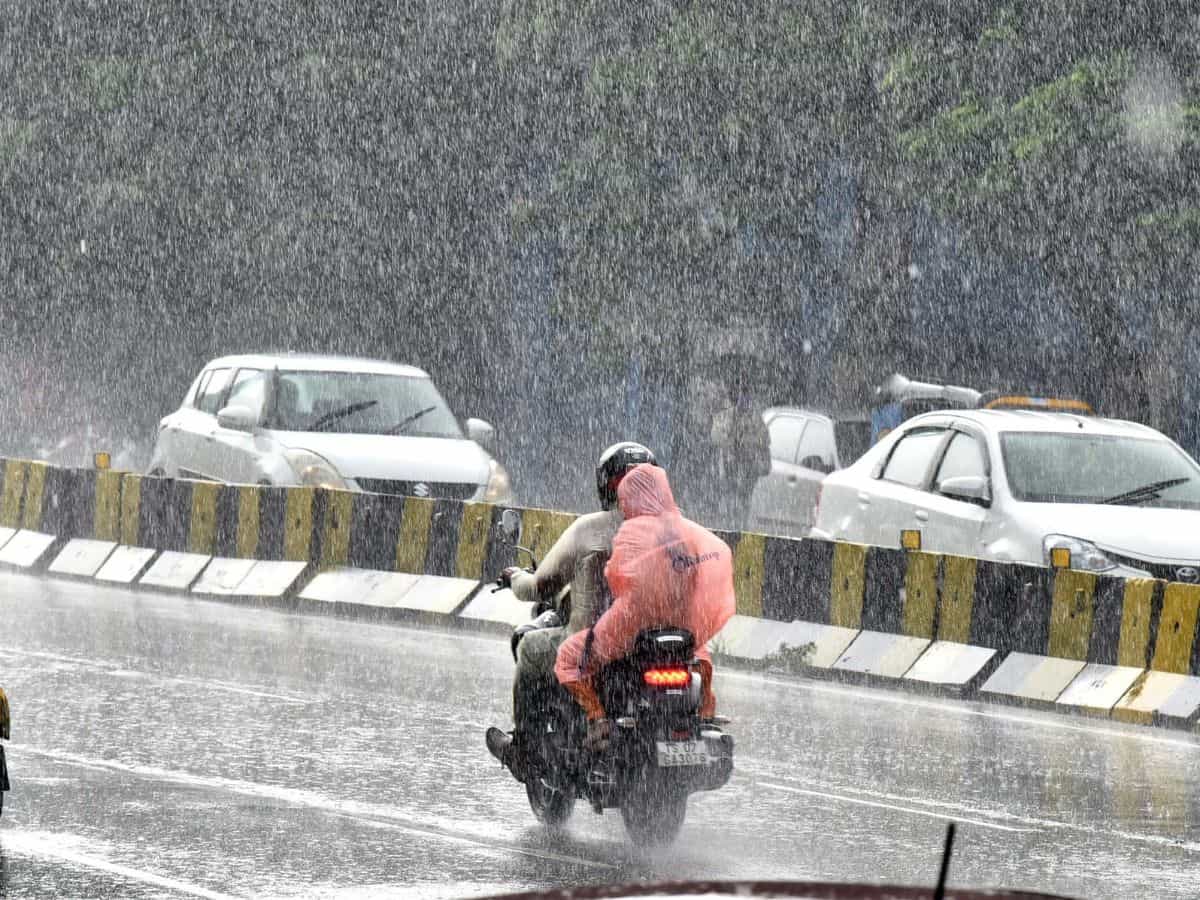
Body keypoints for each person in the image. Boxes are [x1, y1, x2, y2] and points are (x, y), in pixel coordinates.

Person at [485, 441, 658, 780]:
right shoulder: (676, 531)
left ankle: (524, 751)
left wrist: (515, 575)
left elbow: (540, 586)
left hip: (594, 645)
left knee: (531, 649)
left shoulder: (591, 528)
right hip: (653, 645)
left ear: (605, 486)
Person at [554, 463, 736, 750]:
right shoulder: (686, 531)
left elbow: (616, 576)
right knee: (700, 657)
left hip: (633, 625)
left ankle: (598, 719)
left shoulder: (633, 531)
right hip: (681, 626)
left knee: (568, 657)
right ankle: (705, 713)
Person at [710, 369, 771, 530]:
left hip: (748, 467)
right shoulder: (724, 417)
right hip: (731, 467)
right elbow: (717, 438)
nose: (743, 399)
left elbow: (764, 439)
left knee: (743, 503)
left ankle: (739, 525)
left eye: (746, 393)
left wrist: (747, 442)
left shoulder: (755, 418)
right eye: (740, 393)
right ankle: (731, 523)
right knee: (731, 501)